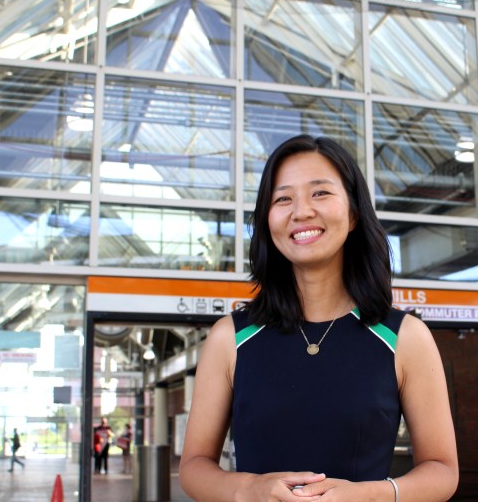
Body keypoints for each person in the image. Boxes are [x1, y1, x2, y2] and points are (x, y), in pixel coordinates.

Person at [180, 135, 458, 501]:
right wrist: (248, 489)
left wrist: (367, 496)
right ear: (267, 219)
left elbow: (442, 470)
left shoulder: (405, 337)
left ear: (354, 213)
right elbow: (194, 466)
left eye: (320, 193)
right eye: (283, 199)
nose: (301, 211)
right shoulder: (230, 337)